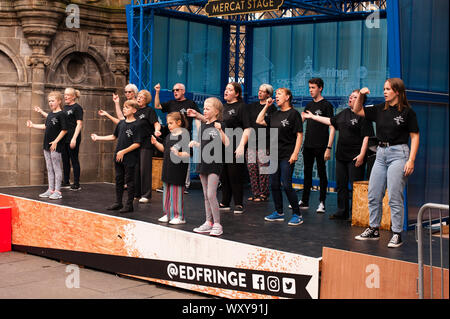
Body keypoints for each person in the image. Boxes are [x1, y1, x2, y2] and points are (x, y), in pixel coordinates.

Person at [353, 78, 420, 248]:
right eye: (383, 88)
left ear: (397, 92)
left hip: (399, 153)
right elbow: (357, 110)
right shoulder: (379, 109)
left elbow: (415, 136)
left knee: (395, 196)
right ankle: (374, 228)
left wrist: (411, 160)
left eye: (388, 89)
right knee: (374, 193)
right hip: (381, 153)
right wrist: (361, 95)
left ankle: (397, 233)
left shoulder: (407, 112)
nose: (384, 91)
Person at [302, 90, 374, 220]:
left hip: (355, 157)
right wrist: (313, 117)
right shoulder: (344, 113)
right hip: (341, 156)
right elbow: (330, 121)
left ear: (361, 100)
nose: (351, 98)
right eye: (350, 96)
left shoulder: (364, 115)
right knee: (341, 185)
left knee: (355, 186)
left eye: (355, 97)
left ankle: (356, 214)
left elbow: (366, 137)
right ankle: (342, 211)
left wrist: (362, 154)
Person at [99, 90, 161, 204]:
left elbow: (156, 123)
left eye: (142, 97)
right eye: (138, 96)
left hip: (145, 142)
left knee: (144, 169)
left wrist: (157, 131)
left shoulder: (149, 111)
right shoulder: (134, 111)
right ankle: (136, 193)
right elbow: (121, 120)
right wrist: (115, 104)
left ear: (146, 99)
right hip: (133, 143)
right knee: (135, 169)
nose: (139, 98)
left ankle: (146, 194)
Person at [256, 88, 304, 225]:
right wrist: (266, 105)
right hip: (274, 154)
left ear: (288, 96)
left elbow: (299, 135)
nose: (276, 96)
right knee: (274, 184)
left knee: (287, 184)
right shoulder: (275, 114)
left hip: (287, 155)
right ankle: (279, 212)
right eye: (275, 94)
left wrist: (295, 153)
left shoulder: (294, 114)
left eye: (279, 94)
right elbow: (259, 120)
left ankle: (297, 214)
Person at [187, 97, 230, 236]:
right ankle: (208, 222)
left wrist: (220, 131)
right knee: (206, 195)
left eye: (207, 108)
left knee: (211, 194)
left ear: (216, 111)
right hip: (203, 163)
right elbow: (204, 144)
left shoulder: (220, 124)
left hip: (214, 163)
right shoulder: (205, 125)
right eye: (204, 108)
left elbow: (227, 143)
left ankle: (217, 224)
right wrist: (195, 143)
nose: (204, 111)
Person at [91, 100, 141, 214]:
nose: (124, 109)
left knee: (129, 180)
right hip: (118, 156)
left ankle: (129, 205)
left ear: (134, 110)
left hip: (130, 157)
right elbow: (114, 136)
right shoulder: (121, 123)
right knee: (118, 179)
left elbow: (137, 143)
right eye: (123, 107)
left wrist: (124, 151)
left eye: (127, 107)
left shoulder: (137, 125)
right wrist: (99, 137)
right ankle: (118, 202)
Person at [154, 83, 201, 193]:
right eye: (173, 90)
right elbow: (157, 106)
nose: (175, 92)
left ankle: (184, 184)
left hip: (184, 134)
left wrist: (199, 134)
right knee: (170, 157)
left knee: (184, 158)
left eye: (177, 90)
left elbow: (197, 118)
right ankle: (168, 182)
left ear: (183, 91)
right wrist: (157, 92)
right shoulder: (171, 103)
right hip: (172, 135)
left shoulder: (190, 103)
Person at [235, 84, 276, 202]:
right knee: (252, 168)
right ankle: (255, 193)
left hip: (264, 142)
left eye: (263, 92)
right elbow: (247, 124)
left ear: (268, 94)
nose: (260, 93)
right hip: (252, 142)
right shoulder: (251, 106)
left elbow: (267, 124)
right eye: (259, 91)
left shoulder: (272, 108)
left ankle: (264, 193)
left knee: (263, 169)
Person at [299, 78, 335, 213]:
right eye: (309, 87)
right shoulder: (308, 105)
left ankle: (322, 202)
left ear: (320, 88)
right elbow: (301, 123)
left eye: (313, 87)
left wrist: (329, 147)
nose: (310, 90)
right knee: (306, 173)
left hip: (321, 145)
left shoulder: (327, 105)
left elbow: (332, 127)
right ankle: (304, 200)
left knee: (321, 173)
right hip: (308, 144)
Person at [151, 112, 190, 224]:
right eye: (168, 123)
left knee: (176, 192)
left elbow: (188, 153)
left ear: (179, 122)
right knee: (167, 192)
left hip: (178, 170)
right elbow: (164, 149)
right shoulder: (168, 136)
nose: (169, 125)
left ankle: (179, 216)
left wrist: (178, 154)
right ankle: (167, 213)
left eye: (171, 123)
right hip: (167, 168)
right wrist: (155, 143)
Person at [28, 91, 67, 200]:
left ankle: (58, 191)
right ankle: (50, 189)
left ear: (59, 101)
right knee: (49, 168)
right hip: (46, 145)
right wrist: (33, 125)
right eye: (49, 101)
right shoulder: (50, 114)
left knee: (56, 168)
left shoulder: (62, 114)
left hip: (56, 146)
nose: (50, 103)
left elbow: (64, 130)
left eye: (53, 100)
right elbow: (46, 126)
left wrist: (55, 141)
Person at [219, 82, 246, 214]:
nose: (226, 91)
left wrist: (241, 145)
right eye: (225, 89)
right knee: (224, 175)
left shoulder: (241, 107)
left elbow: (247, 128)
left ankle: (239, 203)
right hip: (222, 145)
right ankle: (225, 201)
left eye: (229, 89)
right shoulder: (222, 107)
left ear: (237, 93)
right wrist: (197, 115)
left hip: (236, 145)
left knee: (235, 175)